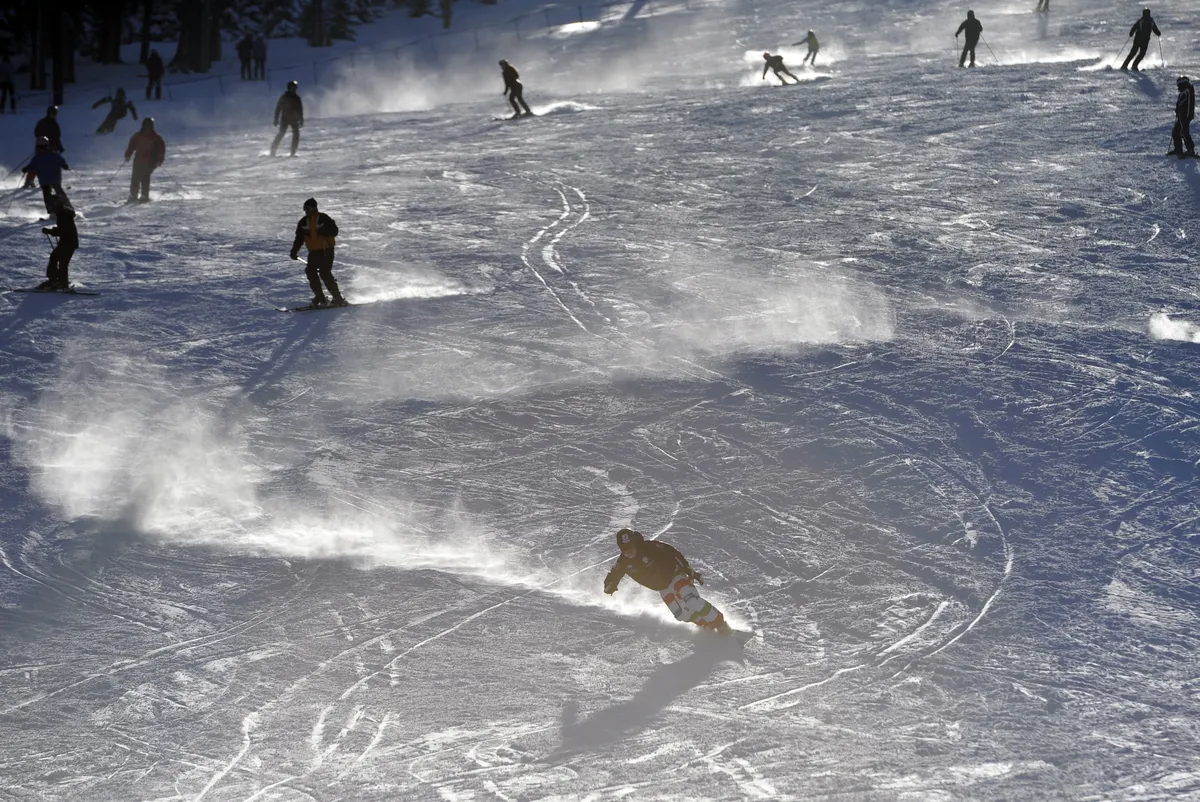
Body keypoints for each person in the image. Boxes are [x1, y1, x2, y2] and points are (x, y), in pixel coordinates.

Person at [603, 528, 732, 634]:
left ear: (635, 543)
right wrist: (610, 584)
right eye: (625, 549)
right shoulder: (623, 562)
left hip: (675, 576)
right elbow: (614, 573)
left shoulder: (649, 547)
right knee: (681, 615)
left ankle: (721, 624)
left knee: (691, 600)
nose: (629, 552)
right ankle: (705, 625)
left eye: (631, 547)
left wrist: (687, 569)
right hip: (662, 587)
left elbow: (672, 552)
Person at [289, 198, 345, 307]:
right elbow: (299, 239)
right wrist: (294, 251)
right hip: (313, 252)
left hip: (326, 251)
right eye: (305, 208)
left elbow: (335, 231)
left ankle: (337, 298)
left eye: (308, 208)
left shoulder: (323, 218)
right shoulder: (303, 222)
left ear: (314, 208)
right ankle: (320, 298)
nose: (306, 211)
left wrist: (325, 231)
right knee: (310, 272)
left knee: (324, 272)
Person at [39, 195, 78, 291]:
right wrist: (52, 231)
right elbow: (64, 229)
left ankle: (61, 284)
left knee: (62, 262)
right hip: (67, 242)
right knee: (55, 257)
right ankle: (56, 281)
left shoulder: (63, 215)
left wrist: (50, 231)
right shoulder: (62, 213)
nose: (51, 208)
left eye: (52, 206)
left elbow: (63, 230)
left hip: (68, 243)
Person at [22, 137, 70, 215]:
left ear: (48, 146)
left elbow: (61, 161)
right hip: (44, 180)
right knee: (47, 195)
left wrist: (64, 165)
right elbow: (33, 165)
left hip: (54, 178)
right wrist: (27, 168)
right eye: (39, 147)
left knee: (59, 192)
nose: (42, 149)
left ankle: (68, 208)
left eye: (43, 146)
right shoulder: (37, 157)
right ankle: (52, 212)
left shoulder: (53, 155)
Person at [124, 118, 166, 203]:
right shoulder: (138, 136)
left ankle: (144, 196)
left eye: (149, 126)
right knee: (135, 177)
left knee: (145, 177)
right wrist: (128, 155)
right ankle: (133, 196)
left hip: (151, 161)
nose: (147, 128)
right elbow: (131, 146)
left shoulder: (156, 138)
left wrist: (159, 160)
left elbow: (161, 150)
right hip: (138, 160)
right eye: (146, 126)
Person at [271, 80, 303, 157]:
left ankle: (293, 152)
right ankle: (273, 151)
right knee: (281, 134)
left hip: (294, 119)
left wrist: (301, 119)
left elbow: (300, 109)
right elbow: (278, 108)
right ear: (289, 88)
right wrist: (276, 118)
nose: (295, 89)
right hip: (285, 118)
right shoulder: (284, 97)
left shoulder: (297, 98)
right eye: (293, 88)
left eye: (295, 88)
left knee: (296, 134)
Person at [1169, 75, 1196, 158]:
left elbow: (1188, 104)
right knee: (1176, 132)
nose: (1178, 87)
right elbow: (1180, 103)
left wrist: (1187, 116)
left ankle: (1190, 149)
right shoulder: (1183, 91)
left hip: (1185, 115)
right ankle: (1178, 149)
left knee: (1183, 132)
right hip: (1182, 115)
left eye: (1178, 85)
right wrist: (1178, 110)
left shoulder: (1187, 90)